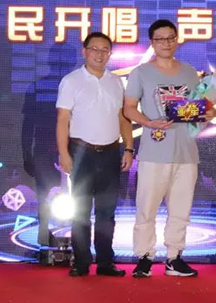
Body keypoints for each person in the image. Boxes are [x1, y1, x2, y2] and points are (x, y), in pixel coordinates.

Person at [124, 19, 215, 278]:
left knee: (181, 209)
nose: (166, 43)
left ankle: (174, 257)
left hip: (186, 152)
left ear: (177, 40)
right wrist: (148, 122)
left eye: (171, 38)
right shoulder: (141, 73)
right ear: (152, 43)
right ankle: (144, 257)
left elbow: (198, 108)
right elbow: (129, 108)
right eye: (160, 39)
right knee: (147, 208)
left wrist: (208, 114)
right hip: (154, 151)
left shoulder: (189, 72)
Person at [56, 32, 134, 277]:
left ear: (110, 54)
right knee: (80, 211)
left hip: (110, 152)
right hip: (81, 152)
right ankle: (81, 262)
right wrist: (64, 154)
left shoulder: (116, 81)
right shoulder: (71, 81)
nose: (99, 54)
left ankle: (105, 263)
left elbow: (123, 118)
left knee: (106, 212)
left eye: (104, 50)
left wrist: (128, 147)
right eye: (94, 49)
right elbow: (62, 120)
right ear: (84, 52)